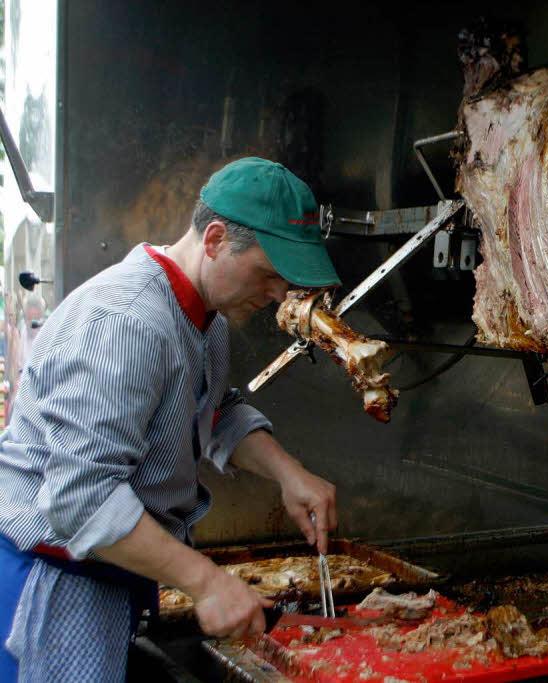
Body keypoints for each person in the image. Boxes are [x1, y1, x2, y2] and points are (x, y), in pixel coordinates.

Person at [0, 157, 342, 681]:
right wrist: (206, 582)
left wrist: (287, 473)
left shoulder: (205, 315)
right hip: (54, 578)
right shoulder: (128, 322)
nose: (277, 295)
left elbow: (211, 410)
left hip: (112, 568)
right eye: (269, 274)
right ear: (214, 239)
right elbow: (81, 496)